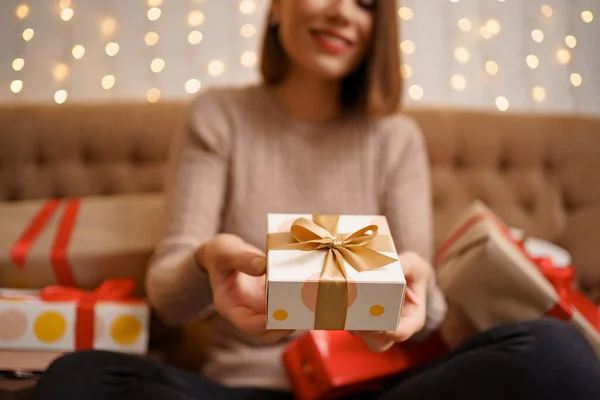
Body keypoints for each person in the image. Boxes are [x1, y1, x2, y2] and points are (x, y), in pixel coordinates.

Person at [33, 0, 600, 399]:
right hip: (241, 389)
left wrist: (418, 285)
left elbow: (426, 316)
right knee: (77, 378)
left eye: (365, 2)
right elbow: (166, 295)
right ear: (277, 5)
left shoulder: (394, 137)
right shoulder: (219, 116)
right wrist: (208, 262)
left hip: (372, 387)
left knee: (557, 354)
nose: (342, 12)